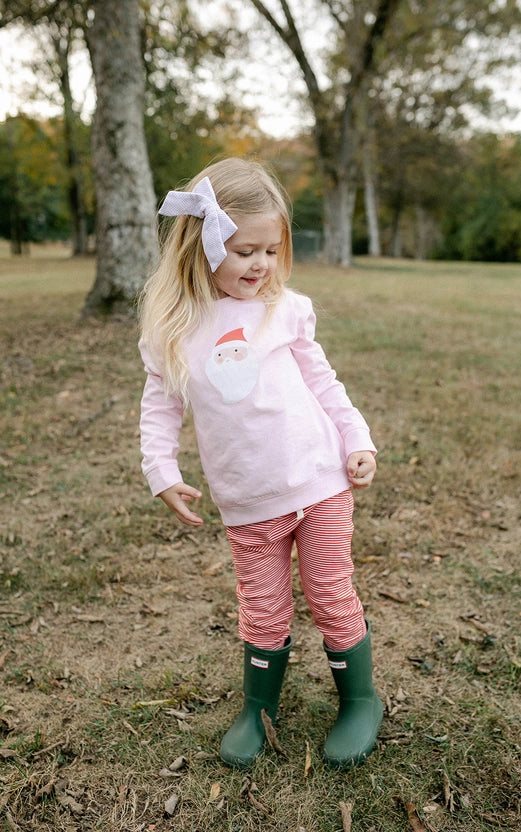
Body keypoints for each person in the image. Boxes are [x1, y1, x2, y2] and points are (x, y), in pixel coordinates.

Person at [138, 157, 383, 769]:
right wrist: (160, 470)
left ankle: (359, 699)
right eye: (245, 250)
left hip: (319, 480)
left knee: (328, 587)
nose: (260, 265)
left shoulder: (286, 309)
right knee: (263, 603)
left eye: (271, 251)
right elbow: (159, 406)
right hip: (247, 499)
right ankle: (258, 708)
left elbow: (324, 382)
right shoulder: (175, 327)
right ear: (203, 245)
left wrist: (357, 437)